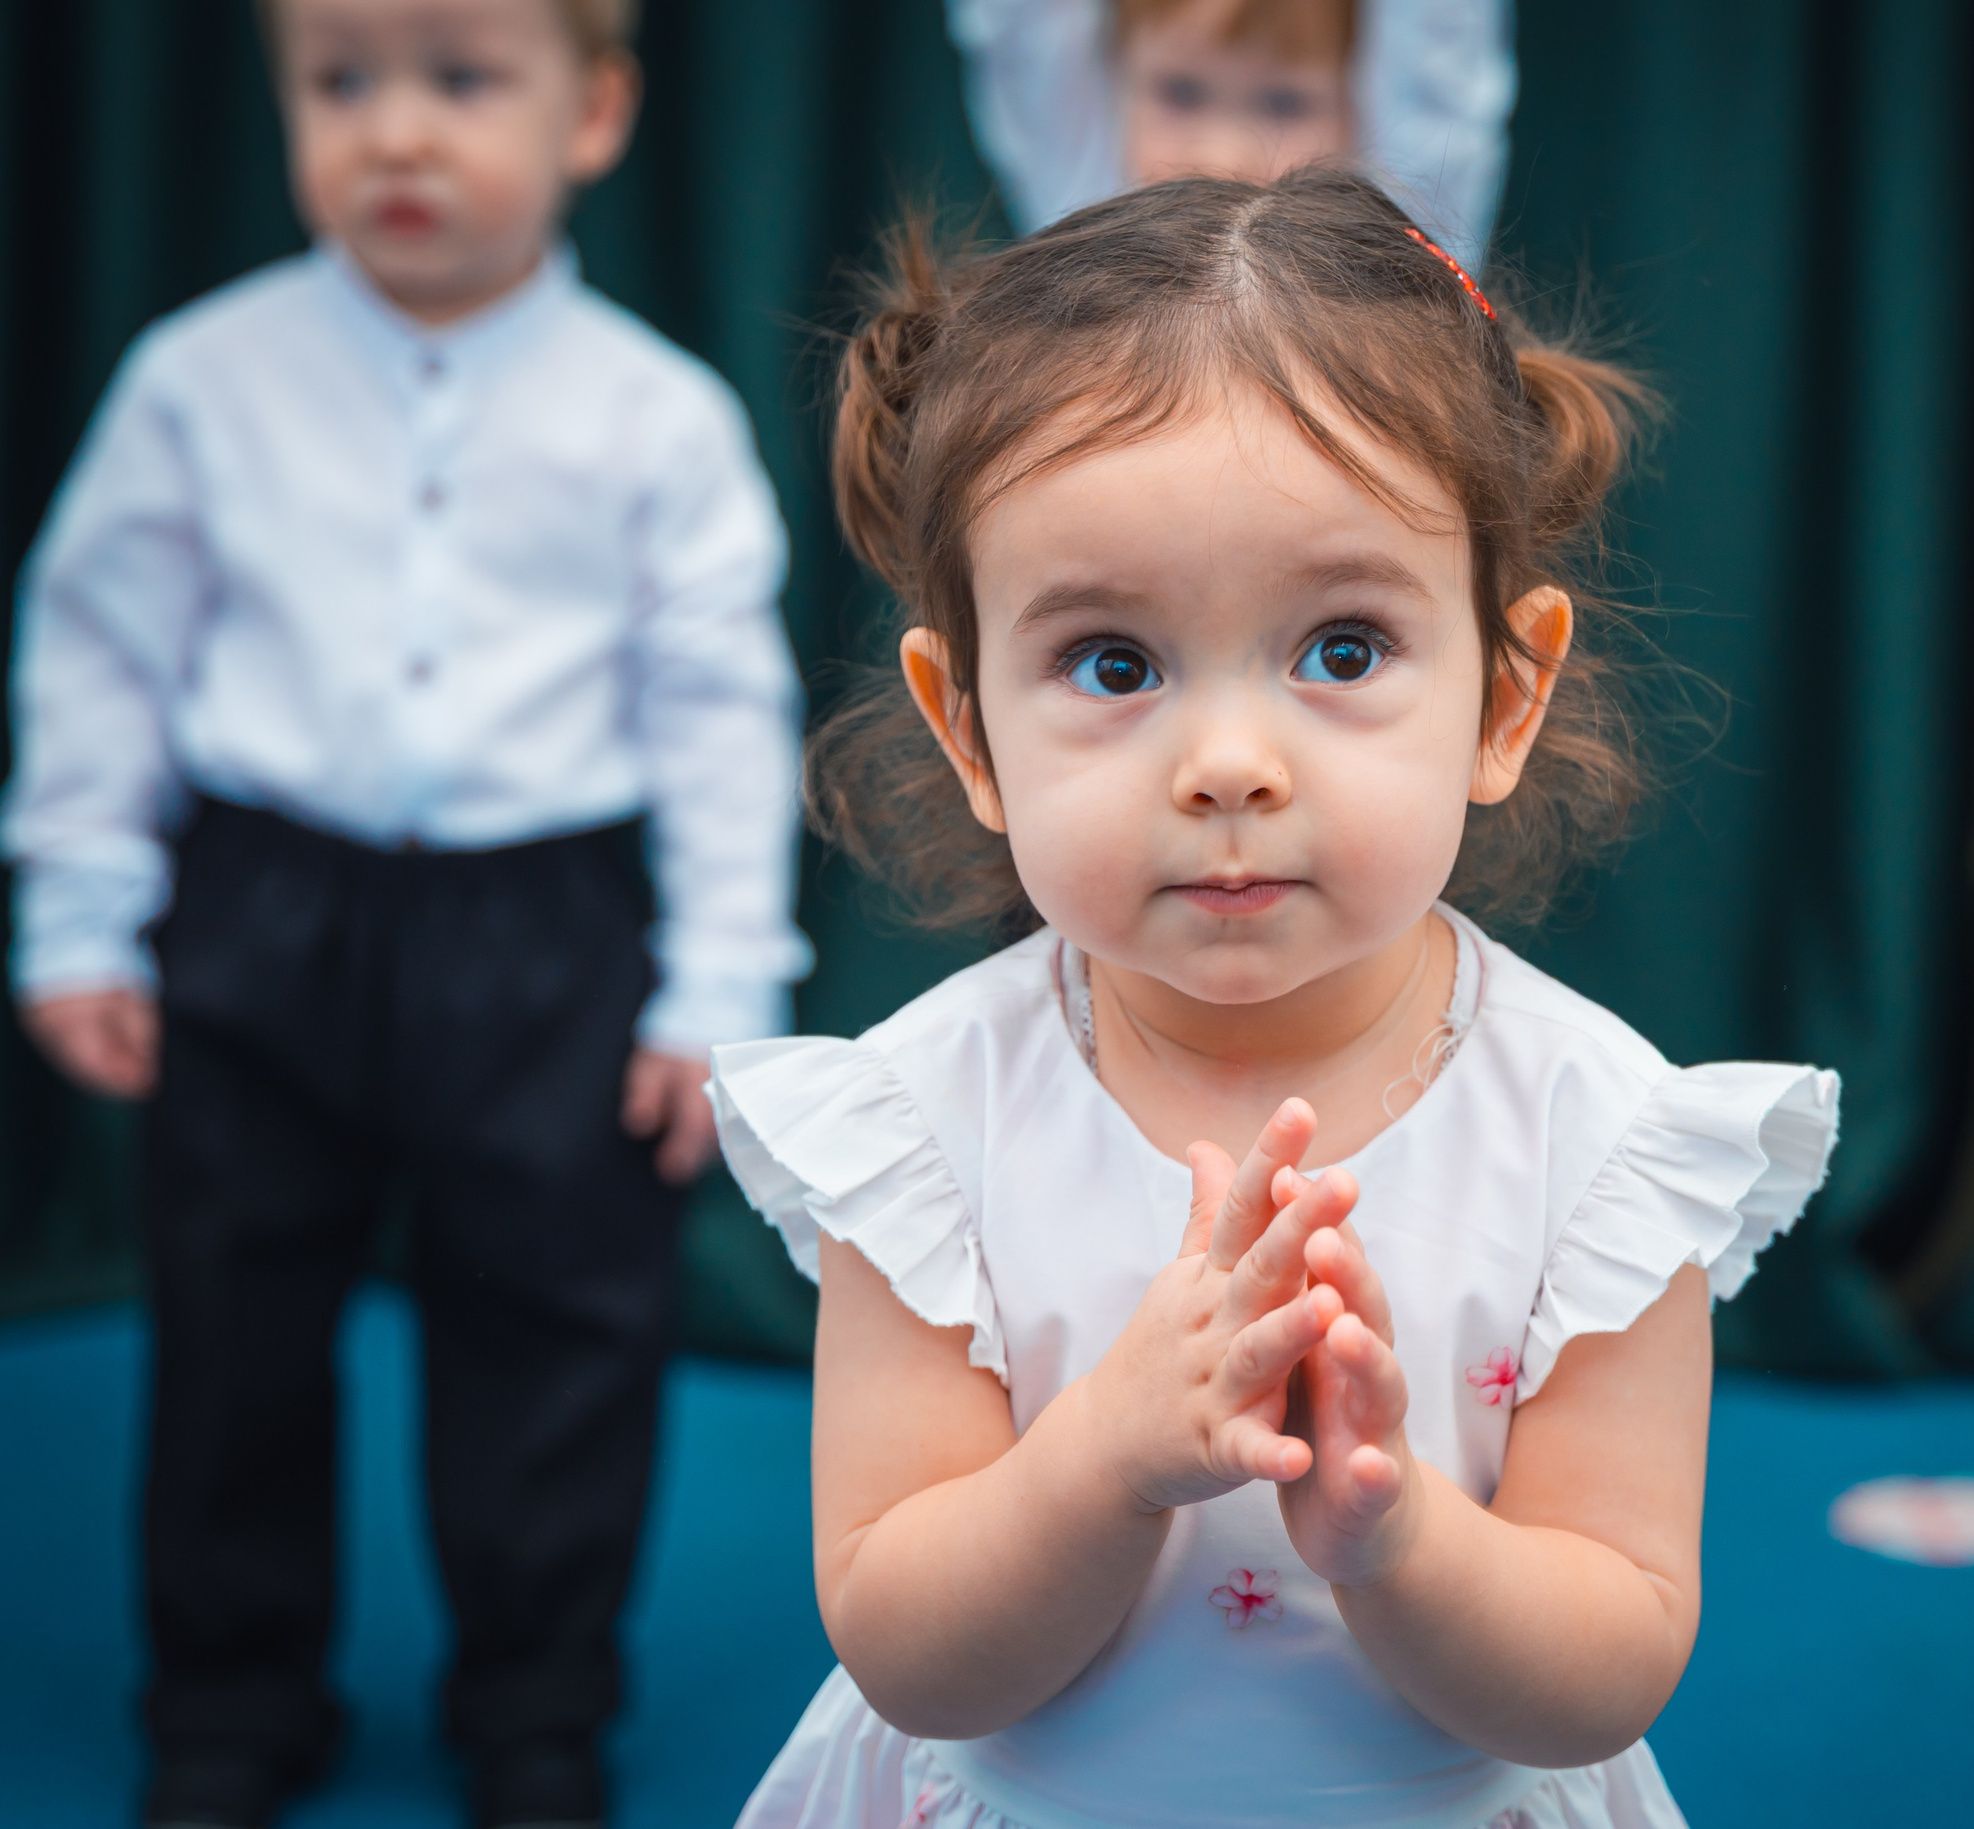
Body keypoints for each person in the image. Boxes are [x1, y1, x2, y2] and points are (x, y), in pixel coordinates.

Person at [707, 168, 1841, 1829]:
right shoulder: (919, 1121)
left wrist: (1400, 1535)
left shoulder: (1607, 1141)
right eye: (1114, 662)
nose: (1230, 764)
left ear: (1504, 695)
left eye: (1341, 649)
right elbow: (910, 1652)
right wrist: (1108, 1456)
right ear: (966, 732)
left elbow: (1611, 1662)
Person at [0, 0, 809, 1824]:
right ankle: (224, 1700)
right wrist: (78, 909)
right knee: (228, 1321)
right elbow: (102, 647)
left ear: (594, 109)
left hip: (548, 930)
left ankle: (536, 1707)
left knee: (559, 1327)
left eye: (462, 79)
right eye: (341, 82)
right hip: (263, 903)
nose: (398, 137)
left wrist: (719, 983)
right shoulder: (199, 378)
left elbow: (717, 711)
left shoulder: (657, 415)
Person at [948, 0, 1513, 265]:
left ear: (1367, 99)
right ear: (1112, 75)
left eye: (1284, 103)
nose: (1225, 158)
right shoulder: (1086, 219)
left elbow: (1438, 55)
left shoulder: (1400, 255)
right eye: (1182, 93)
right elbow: (1026, 33)